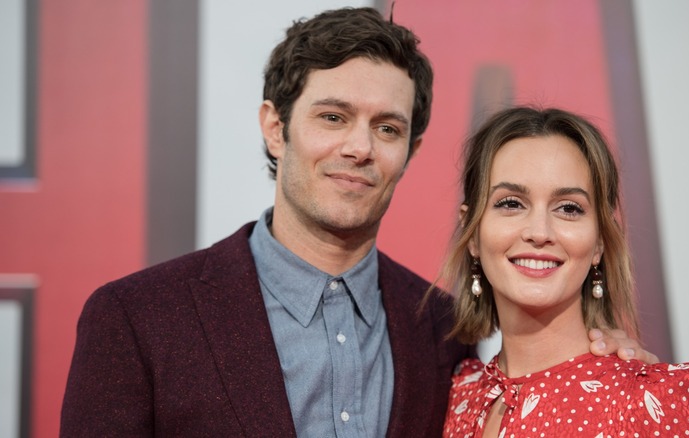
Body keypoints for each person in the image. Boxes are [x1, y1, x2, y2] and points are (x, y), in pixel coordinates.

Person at [60, 8, 653, 437]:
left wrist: (611, 369)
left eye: (387, 128)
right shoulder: (138, 319)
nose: (359, 148)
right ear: (275, 126)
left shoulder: (444, 331)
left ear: (411, 151)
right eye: (333, 116)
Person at [439, 106, 689, 437]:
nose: (539, 232)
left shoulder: (645, 403)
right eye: (511, 203)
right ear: (471, 232)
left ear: (599, 241)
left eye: (569, 208)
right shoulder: (457, 392)